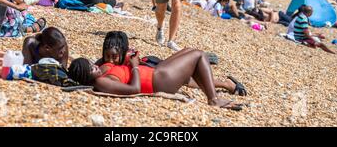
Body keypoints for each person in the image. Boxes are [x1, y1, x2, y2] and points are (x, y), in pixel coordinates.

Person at [69, 49, 245, 110]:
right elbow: (134, 89)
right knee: (198, 55)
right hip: (158, 80)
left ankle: (219, 88)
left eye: (92, 64)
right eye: (91, 69)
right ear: (87, 77)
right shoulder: (100, 82)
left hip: (156, 74)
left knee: (189, 50)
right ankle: (213, 99)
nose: (96, 67)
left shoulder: (100, 75)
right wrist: (135, 65)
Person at [95, 31, 247, 96]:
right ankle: (222, 89)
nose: (110, 60)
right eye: (107, 56)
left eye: (114, 57)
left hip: (155, 70)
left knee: (189, 51)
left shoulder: (126, 58)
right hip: (159, 76)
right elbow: (99, 70)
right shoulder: (107, 66)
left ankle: (226, 83)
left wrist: (133, 60)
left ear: (123, 52)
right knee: (192, 66)